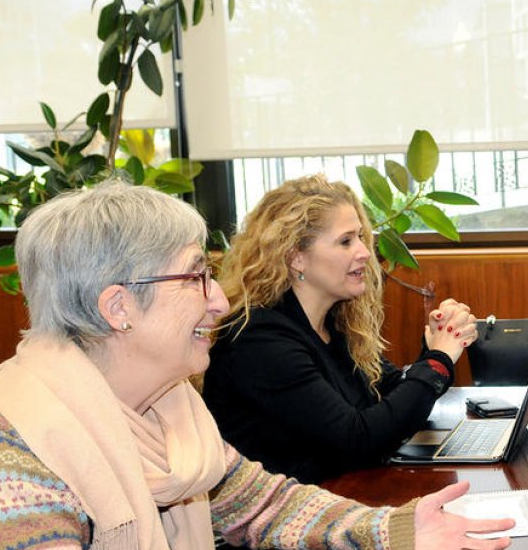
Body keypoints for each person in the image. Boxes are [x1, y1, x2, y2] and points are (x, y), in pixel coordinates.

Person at [0, 181, 511, 550]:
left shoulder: (170, 409)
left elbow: (267, 506)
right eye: (196, 276)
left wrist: (396, 531)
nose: (220, 300)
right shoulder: (13, 452)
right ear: (118, 307)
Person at [203, 174, 475, 482]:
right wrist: (438, 360)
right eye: (346, 241)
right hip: (276, 524)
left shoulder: (333, 326)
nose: (364, 252)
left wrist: (435, 347)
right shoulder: (259, 341)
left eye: (360, 237)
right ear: (297, 258)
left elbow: (390, 395)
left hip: (334, 499)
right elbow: (357, 440)